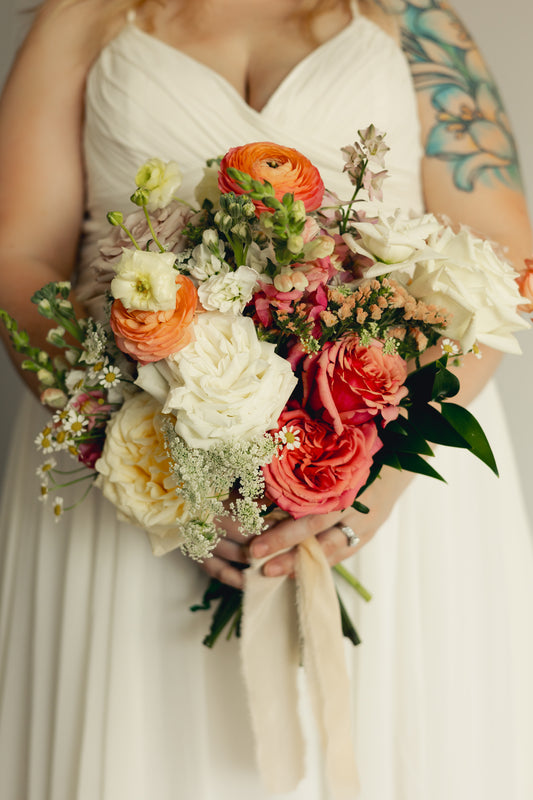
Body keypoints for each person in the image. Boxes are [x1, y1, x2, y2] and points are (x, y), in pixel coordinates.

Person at [0, 0, 532, 798]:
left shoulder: (411, 21)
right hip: (139, 477)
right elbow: (18, 252)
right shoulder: (81, 16)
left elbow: (508, 261)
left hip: (393, 482)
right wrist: (144, 449)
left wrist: (365, 484)